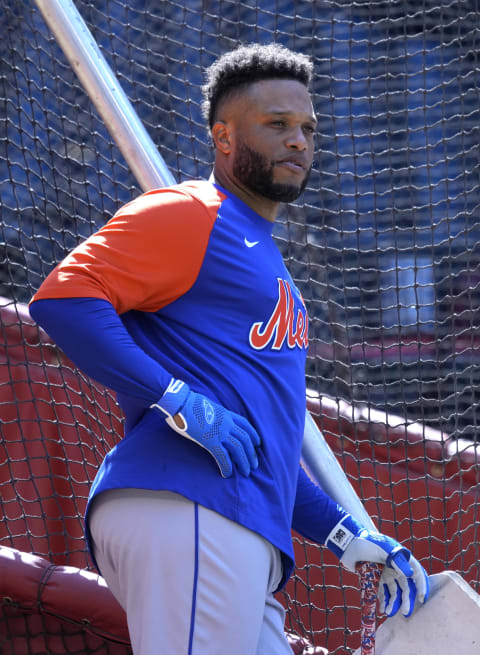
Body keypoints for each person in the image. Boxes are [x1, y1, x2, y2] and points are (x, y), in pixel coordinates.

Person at [29, 43, 429, 655]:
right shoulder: (194, 211)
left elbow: (254, 444)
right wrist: (174, 396)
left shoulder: (264, 254)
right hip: (189, 507)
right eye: (276, 124)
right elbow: (63, 299)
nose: (299, 140)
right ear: (223, 136)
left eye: (307, 128)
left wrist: (343, 534)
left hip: (235, 522)